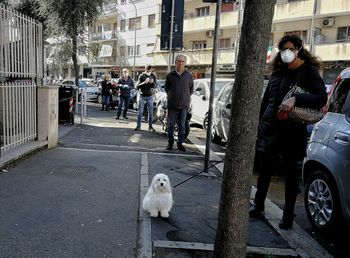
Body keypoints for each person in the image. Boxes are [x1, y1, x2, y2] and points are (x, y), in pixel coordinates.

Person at [249, 35, 327, 229]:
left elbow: (321, 98)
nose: (286, 52)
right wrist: (260, 124)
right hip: (271, 129)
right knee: (265, 170)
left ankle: (288, 215)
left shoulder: (308, 71)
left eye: (290, 48)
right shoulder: (277, 72)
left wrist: (297, 99)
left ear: (299, 49)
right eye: (283, 48)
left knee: (290, 176)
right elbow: (267, 101)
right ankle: (258, 205)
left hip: (292, 132)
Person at [164, 54, 194, 151]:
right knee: (171, 125)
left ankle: (180, 143)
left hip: (184, 105)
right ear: (175, 62)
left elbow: (191, 89)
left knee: (182, 125)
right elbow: (166, 89)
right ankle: (170, 143)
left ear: (184, 63)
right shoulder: (170, 76)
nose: (180, 63)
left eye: (182, 62)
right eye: (179, 61)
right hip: (172, 105)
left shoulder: (189, 76)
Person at [135, 65, 157, 131]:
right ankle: (138, 126)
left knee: (150, 112)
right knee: (140, 112)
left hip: (150, 96)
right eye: (147, 70)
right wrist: (145, 82)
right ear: (145, 69)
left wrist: (152, 83)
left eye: (150, 70)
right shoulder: (141, 76)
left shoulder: (153, 76)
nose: (148, 72)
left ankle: (150, 127)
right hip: (142, 95)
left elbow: (155, 86)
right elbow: (137, 86)